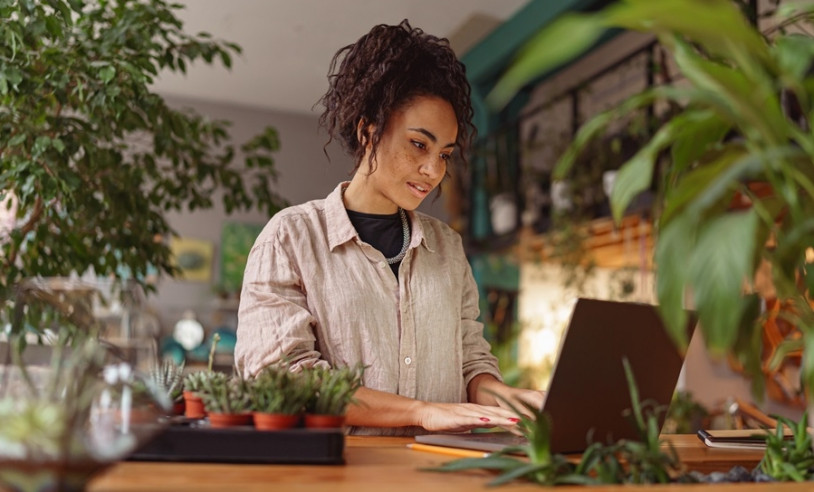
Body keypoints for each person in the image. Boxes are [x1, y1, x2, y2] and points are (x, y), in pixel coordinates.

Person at [235, 19, 543, 436]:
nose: (433, 170)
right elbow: (283, 380)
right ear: (369, 131)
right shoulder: (290, 238)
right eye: (419, 144)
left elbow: (471, 363)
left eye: (445, 154)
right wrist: (420, 411)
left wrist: (513, 400)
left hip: (440, 474)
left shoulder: (446, 247)